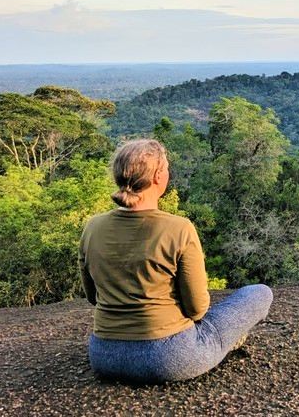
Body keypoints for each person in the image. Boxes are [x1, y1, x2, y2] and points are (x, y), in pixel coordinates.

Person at [79, 139, 273, 383]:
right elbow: (197, 309)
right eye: (167, 168)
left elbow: (92, 296)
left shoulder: (92, 227)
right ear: (158, 176)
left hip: (105, 356)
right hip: (167, 358)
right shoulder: (178, 228)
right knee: (259, 293)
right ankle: (223, 343)